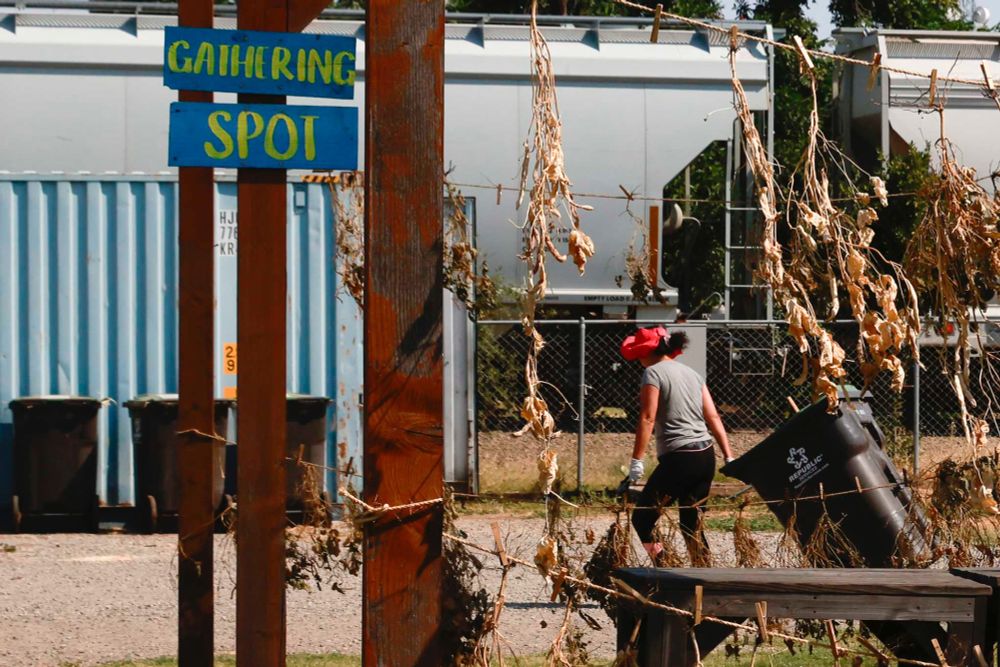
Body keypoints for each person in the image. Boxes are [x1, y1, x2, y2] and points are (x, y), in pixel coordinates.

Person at [620, 325, 735, 565]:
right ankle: (704, 577)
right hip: (705, 456)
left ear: (644, 352)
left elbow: (647, 418)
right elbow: (713, 416)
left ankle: (665, 567)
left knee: (642, 519)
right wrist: (728, 455)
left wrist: (636, 461)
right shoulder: (692, 373)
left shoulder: (653, 373)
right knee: (692, 523)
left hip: (680, 458)